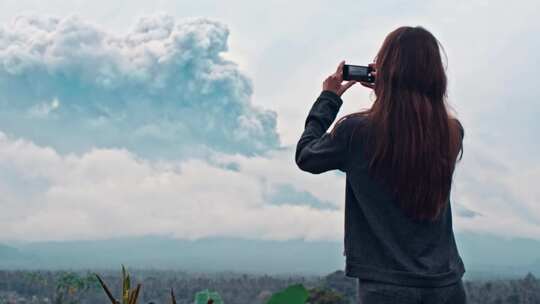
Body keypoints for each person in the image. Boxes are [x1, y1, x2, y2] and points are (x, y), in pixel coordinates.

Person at [295, 26, 467, 304]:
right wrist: (392, 94)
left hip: (386, 289)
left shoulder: (356, 132)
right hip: (447, 285)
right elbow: (410, 131)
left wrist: (328, 98)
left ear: (386, 71)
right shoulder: (451, 133)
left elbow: (306, 156)